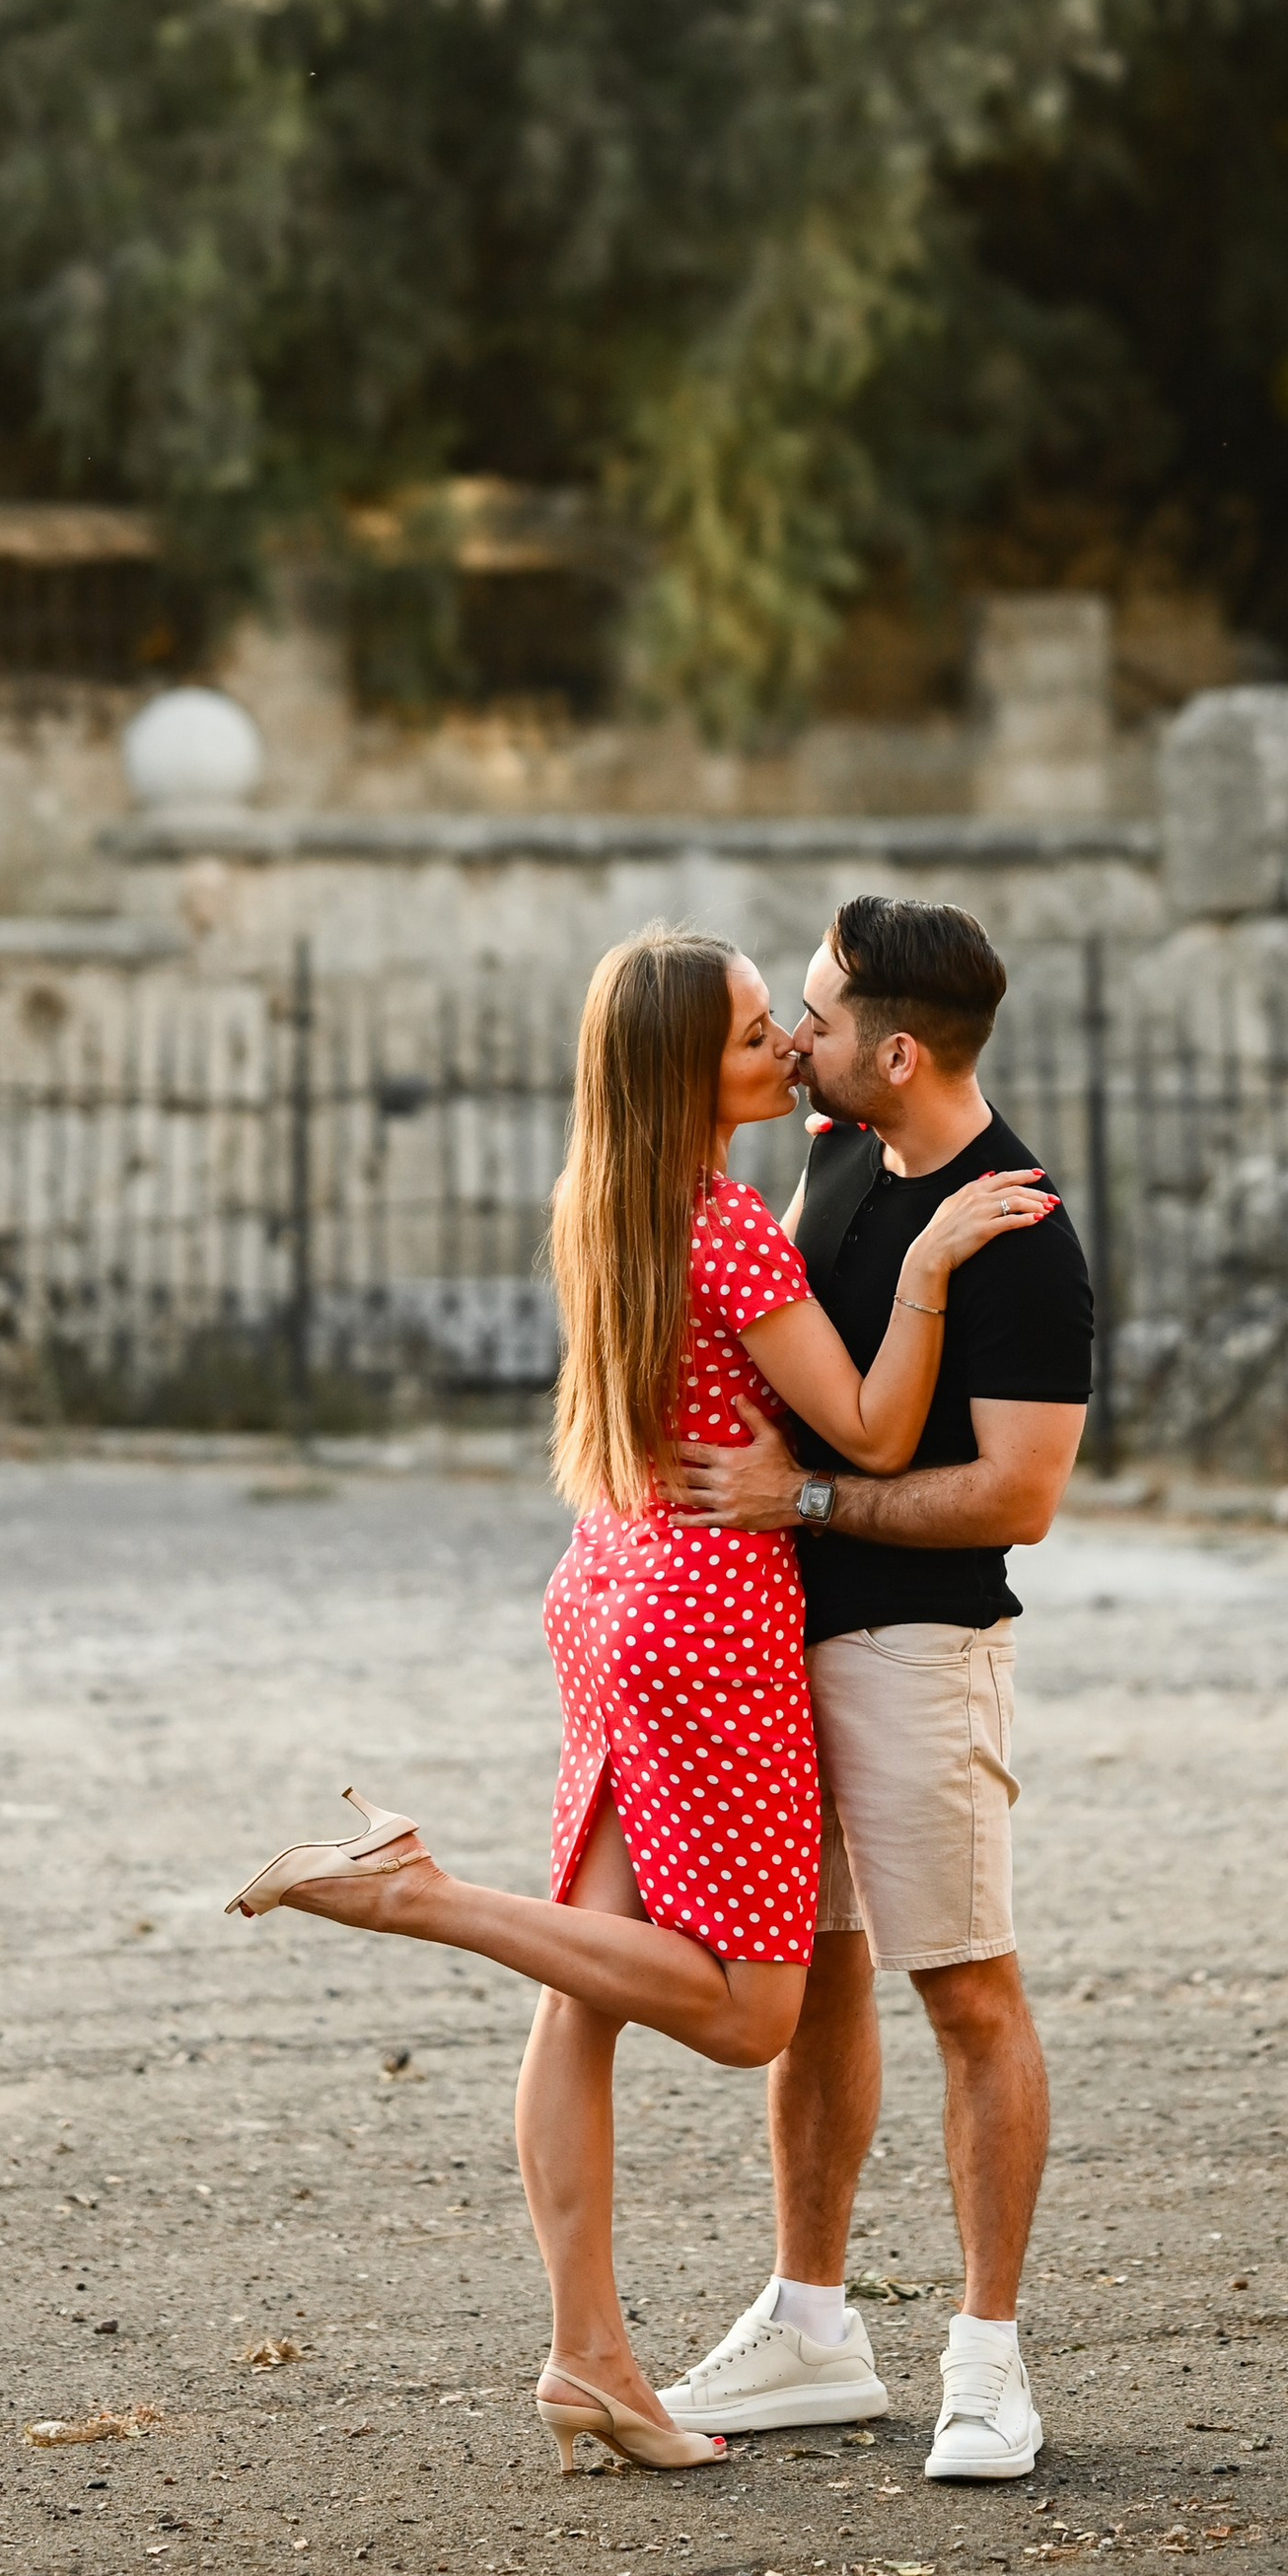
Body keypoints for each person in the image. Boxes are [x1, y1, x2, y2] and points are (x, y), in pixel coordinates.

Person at [223, 922, 1055, 2475]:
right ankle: (422, 1896)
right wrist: (929, 1263)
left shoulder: (603, 1200)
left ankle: (589, 2356)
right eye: (754, 1033)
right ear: (687, 1076)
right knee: (751, 2014)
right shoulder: (727, 1227)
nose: (785, 1045)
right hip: (711, 1615)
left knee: (582, 1993)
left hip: (607, 1586)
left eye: (789, 1020)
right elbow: (875, 1433)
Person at [662, 895, 1094, 2484]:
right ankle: (811, 2329)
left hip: (919, 1648)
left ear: (899, 1054)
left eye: (822, 1017)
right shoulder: (836, 1153)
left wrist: (808, 1503)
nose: (796, 1038)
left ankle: (987, 2364)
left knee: (966, 1989)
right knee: (821, 1978)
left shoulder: (1022, 1233)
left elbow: (1016, 1498)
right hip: (778, 1641)